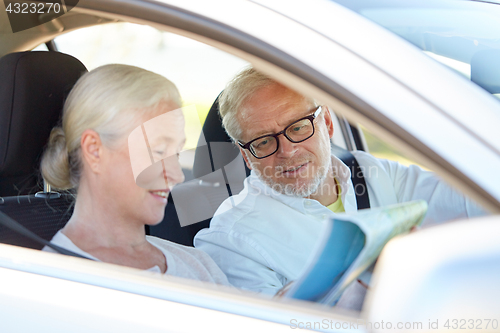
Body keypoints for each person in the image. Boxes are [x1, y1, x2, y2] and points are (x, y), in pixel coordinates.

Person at [193, 67, 485, 301]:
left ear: (328, 124)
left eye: (298, 127)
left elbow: (476, 201)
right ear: (246, 155)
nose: (288, 151)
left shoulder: (371, 172)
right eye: (265, 141)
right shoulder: (229, 240)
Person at [41, 64, 229, 285]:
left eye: (176, 155)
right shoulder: (54, 283)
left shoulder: (198, 263)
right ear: (94, 150)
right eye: (158, 152)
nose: (177, 176)